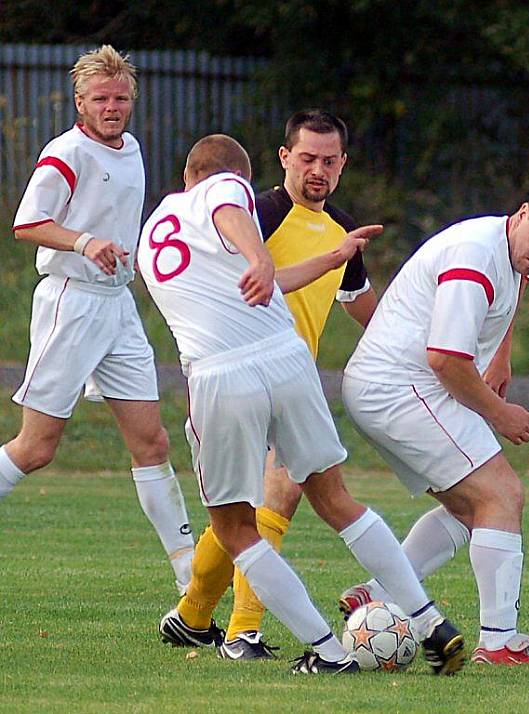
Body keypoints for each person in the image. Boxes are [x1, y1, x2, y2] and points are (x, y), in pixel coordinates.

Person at [141, 134, 465, 675]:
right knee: (336, 499)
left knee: (235, 528)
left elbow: (235, 224)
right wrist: (260, 258)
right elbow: (253, 258)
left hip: (223, 374)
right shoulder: (229, 197)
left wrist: (314, 258)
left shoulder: (163, 222)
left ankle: (328, 651)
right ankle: (430, 620)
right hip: (288, 360)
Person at [339, 178, 529, 666]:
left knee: (470, 509)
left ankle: (374, 594)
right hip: (401, 388)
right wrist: (500, 414)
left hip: (396, 387)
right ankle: (499, 643)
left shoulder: (512, 246)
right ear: (522, 212)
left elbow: (520, 280)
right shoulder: (473, 257)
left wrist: (501, 354)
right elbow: (445, 360)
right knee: (501, 495)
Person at [160, 110, 379, 660]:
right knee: (267, 504)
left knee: (239, 514)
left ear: (343, 164)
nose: (318, 170)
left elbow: (366, 310)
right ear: (284, 157)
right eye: (307, 158)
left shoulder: (341, 230)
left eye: (329, 161)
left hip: (290, 381)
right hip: (242, 376)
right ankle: (242, 633)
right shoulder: (252, 212)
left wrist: (409, 349)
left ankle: (191, 616)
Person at [0, 45, 194, 593]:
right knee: (36, 448)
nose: (113, 107)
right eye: (101, 99)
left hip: (118, 306)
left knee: (152, 443)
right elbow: (28, 223)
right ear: (80, 101)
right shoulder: (66, 152)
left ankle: (190, 580)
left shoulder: (132, 148)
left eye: (121, 98)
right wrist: (86, 243)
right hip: (72, 301)